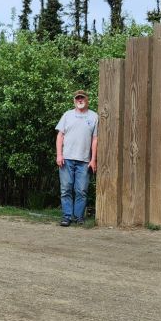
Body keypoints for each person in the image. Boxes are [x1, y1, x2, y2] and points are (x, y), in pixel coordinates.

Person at [55, 90, 98, 226]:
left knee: (81, 190)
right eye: (77, 98)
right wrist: (59, 155)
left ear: (87, 100)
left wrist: (93, 159)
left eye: (82, 98)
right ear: (74, 101)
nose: (80, 100)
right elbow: (60, 136)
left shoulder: (94, 116)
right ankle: (67, 217)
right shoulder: (67, 115)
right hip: (66, 159)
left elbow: (95, 139)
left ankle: (79, 217)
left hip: (85, 160)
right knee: (66, 188)